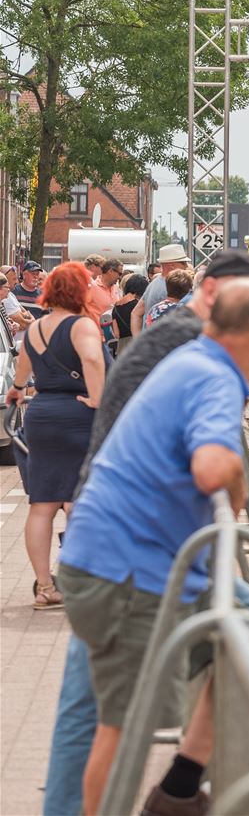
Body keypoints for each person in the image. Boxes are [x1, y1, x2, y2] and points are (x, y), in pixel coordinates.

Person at [43, 255, 249, 816]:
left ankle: (179, 785)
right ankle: (149, 795)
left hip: (130, 549)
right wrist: (233, 487)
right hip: (129, 562)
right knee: (116, 722)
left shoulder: (191, 350)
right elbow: (211, 465)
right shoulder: (211, 369)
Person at [6, 261, 106, 609]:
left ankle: (45, 587)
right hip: (77, 416)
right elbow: (92, 359)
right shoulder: (82, 324)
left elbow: (22, 366)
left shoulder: (36, 328)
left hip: (42, 415)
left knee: (42, 503)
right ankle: (78, 578)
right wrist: (98, 398)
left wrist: (18, 389)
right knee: (78, 499)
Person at [134, 243, 189, 333]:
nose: (186, 266)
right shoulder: (171, 286)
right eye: (183, 262)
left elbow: (136, 313)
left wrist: (138, 338)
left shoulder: (154, 283)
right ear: (172, 265)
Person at [110, 272, 149, 354]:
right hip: (137, 346)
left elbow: (116, 334)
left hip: (121, 348)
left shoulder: (115, 307)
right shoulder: (139, 306)